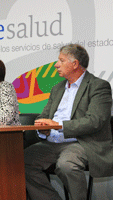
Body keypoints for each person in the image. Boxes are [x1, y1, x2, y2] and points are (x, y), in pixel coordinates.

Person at [25, 44, 113, 200]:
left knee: (67, 165)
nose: (56, 65)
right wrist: (43, 127)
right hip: (52, 142)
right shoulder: (57, 88)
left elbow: (95, 121)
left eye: (61, 60)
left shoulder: (98, 86)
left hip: (81, 142)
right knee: (20, 161)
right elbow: (43, 115)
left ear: (75, 64)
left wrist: (58, 127)